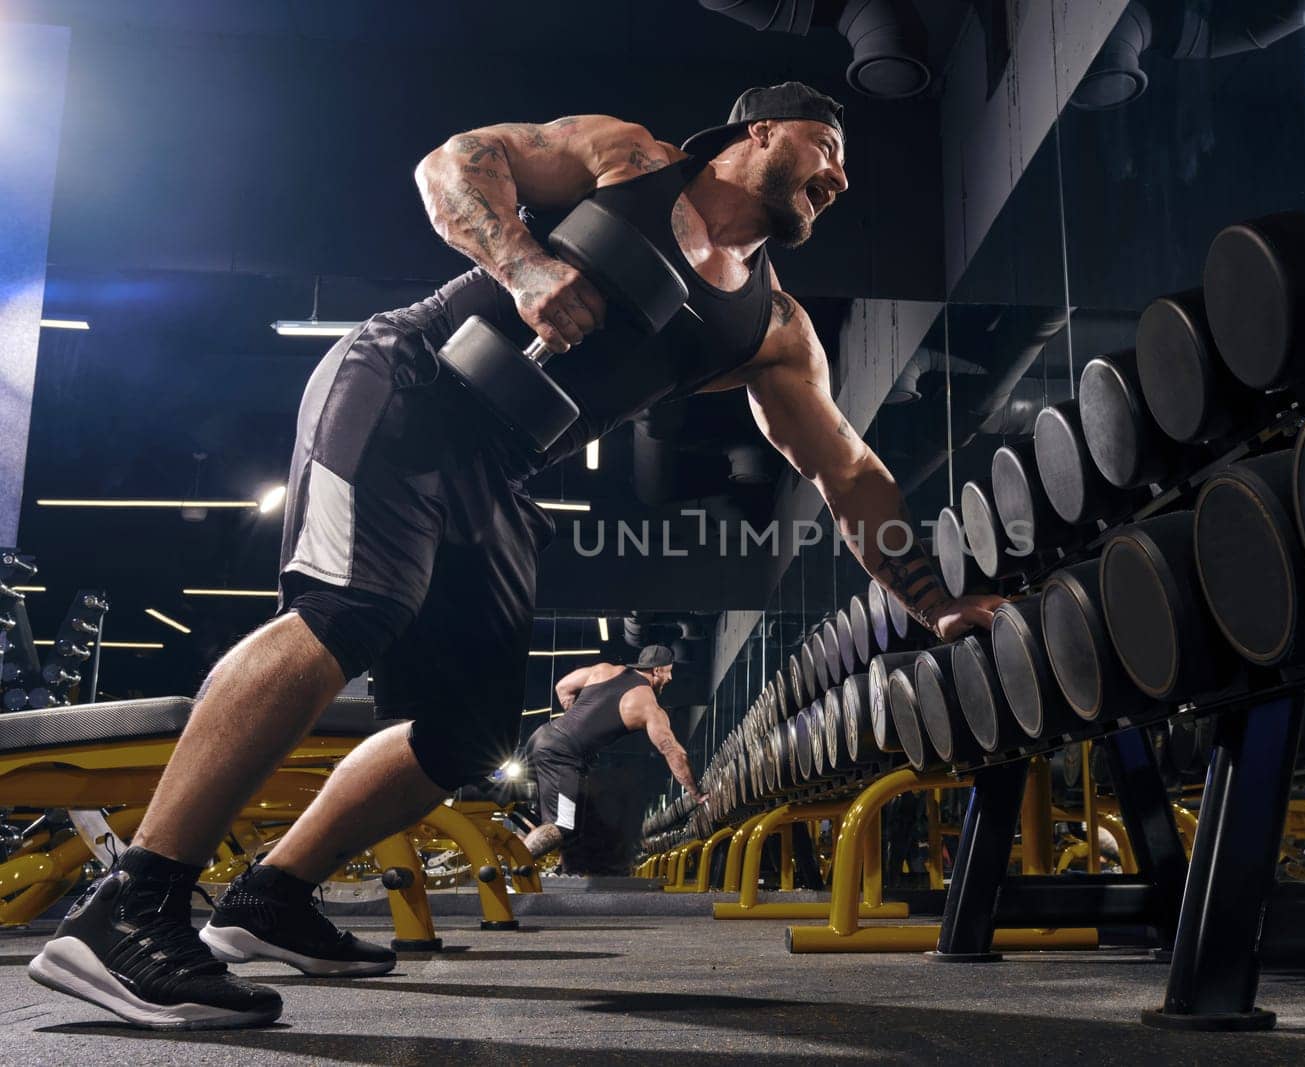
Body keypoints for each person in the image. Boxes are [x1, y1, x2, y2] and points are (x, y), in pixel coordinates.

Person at [29, 81, 1004, 1030]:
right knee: (349, 610)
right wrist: (522, 261)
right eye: (827, 149)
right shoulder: (625, 160)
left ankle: (270, 895)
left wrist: (932, 603)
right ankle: (131, 903)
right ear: (758, 131)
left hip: (496, 468)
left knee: (461, 730)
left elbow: (846, 469)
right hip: (407, 382)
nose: (838, 179)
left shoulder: (772, 330)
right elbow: (455, 161)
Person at [520, 645, 701, 863]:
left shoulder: (604, 670)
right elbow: (673, 752)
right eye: (668, 671)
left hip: (542, 737)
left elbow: (563, 687)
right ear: (656, 670)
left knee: (573, 816)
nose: (670, 677)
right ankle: (511, 869)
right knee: (561, 825)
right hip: (561, 756)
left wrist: (577, 724)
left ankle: (548, 868)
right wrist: (695, 793)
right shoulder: (648, 706)